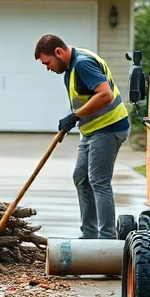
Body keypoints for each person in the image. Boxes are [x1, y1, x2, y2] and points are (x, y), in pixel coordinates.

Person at [34, 34, 131, 239]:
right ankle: (89, 235)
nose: (48, 68)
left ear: (58, 53)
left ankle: (106, 239)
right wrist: (74, 120)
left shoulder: (83, 64)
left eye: (47, 62)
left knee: (98, 180)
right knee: (81, 177)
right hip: (92, 130)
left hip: (108, 128)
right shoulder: (71, 67)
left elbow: (105, 94)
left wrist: (75, 116)